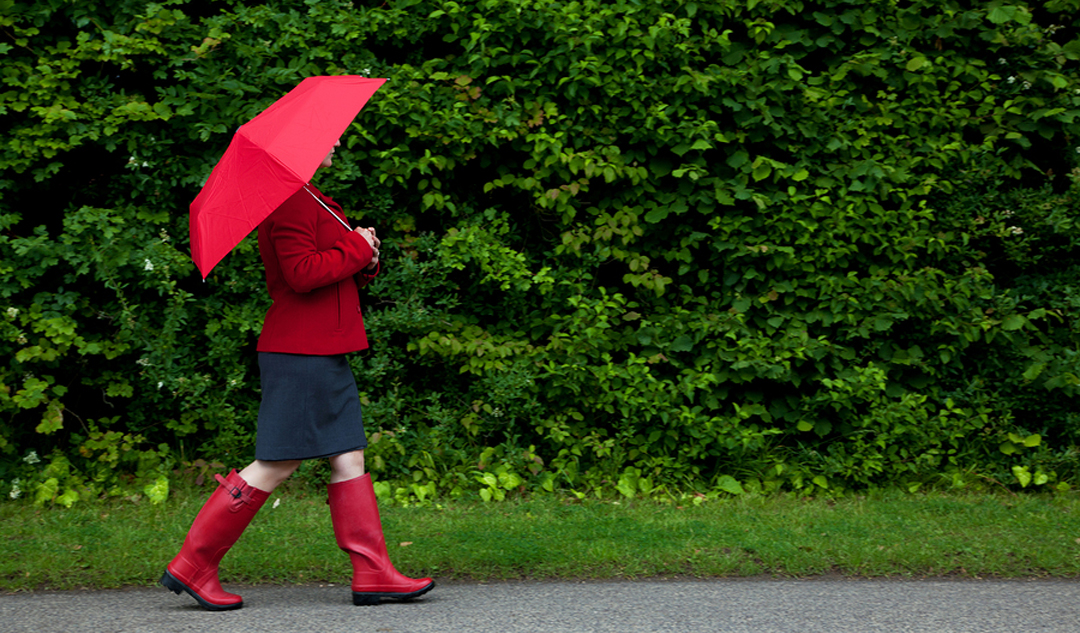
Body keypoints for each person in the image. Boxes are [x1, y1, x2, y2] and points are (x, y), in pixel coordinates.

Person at [161, 139, 434, 611]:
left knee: (348, 456)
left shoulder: (310, 195)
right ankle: (193, 564)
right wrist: (355, 244)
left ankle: (372, 572)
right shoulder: (288, 204)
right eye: (330, 137)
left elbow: (331, 268)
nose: (337, 141)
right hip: (299, 351)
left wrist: (365, 259)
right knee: (277, 462)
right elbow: (302, 273)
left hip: (326, 347)